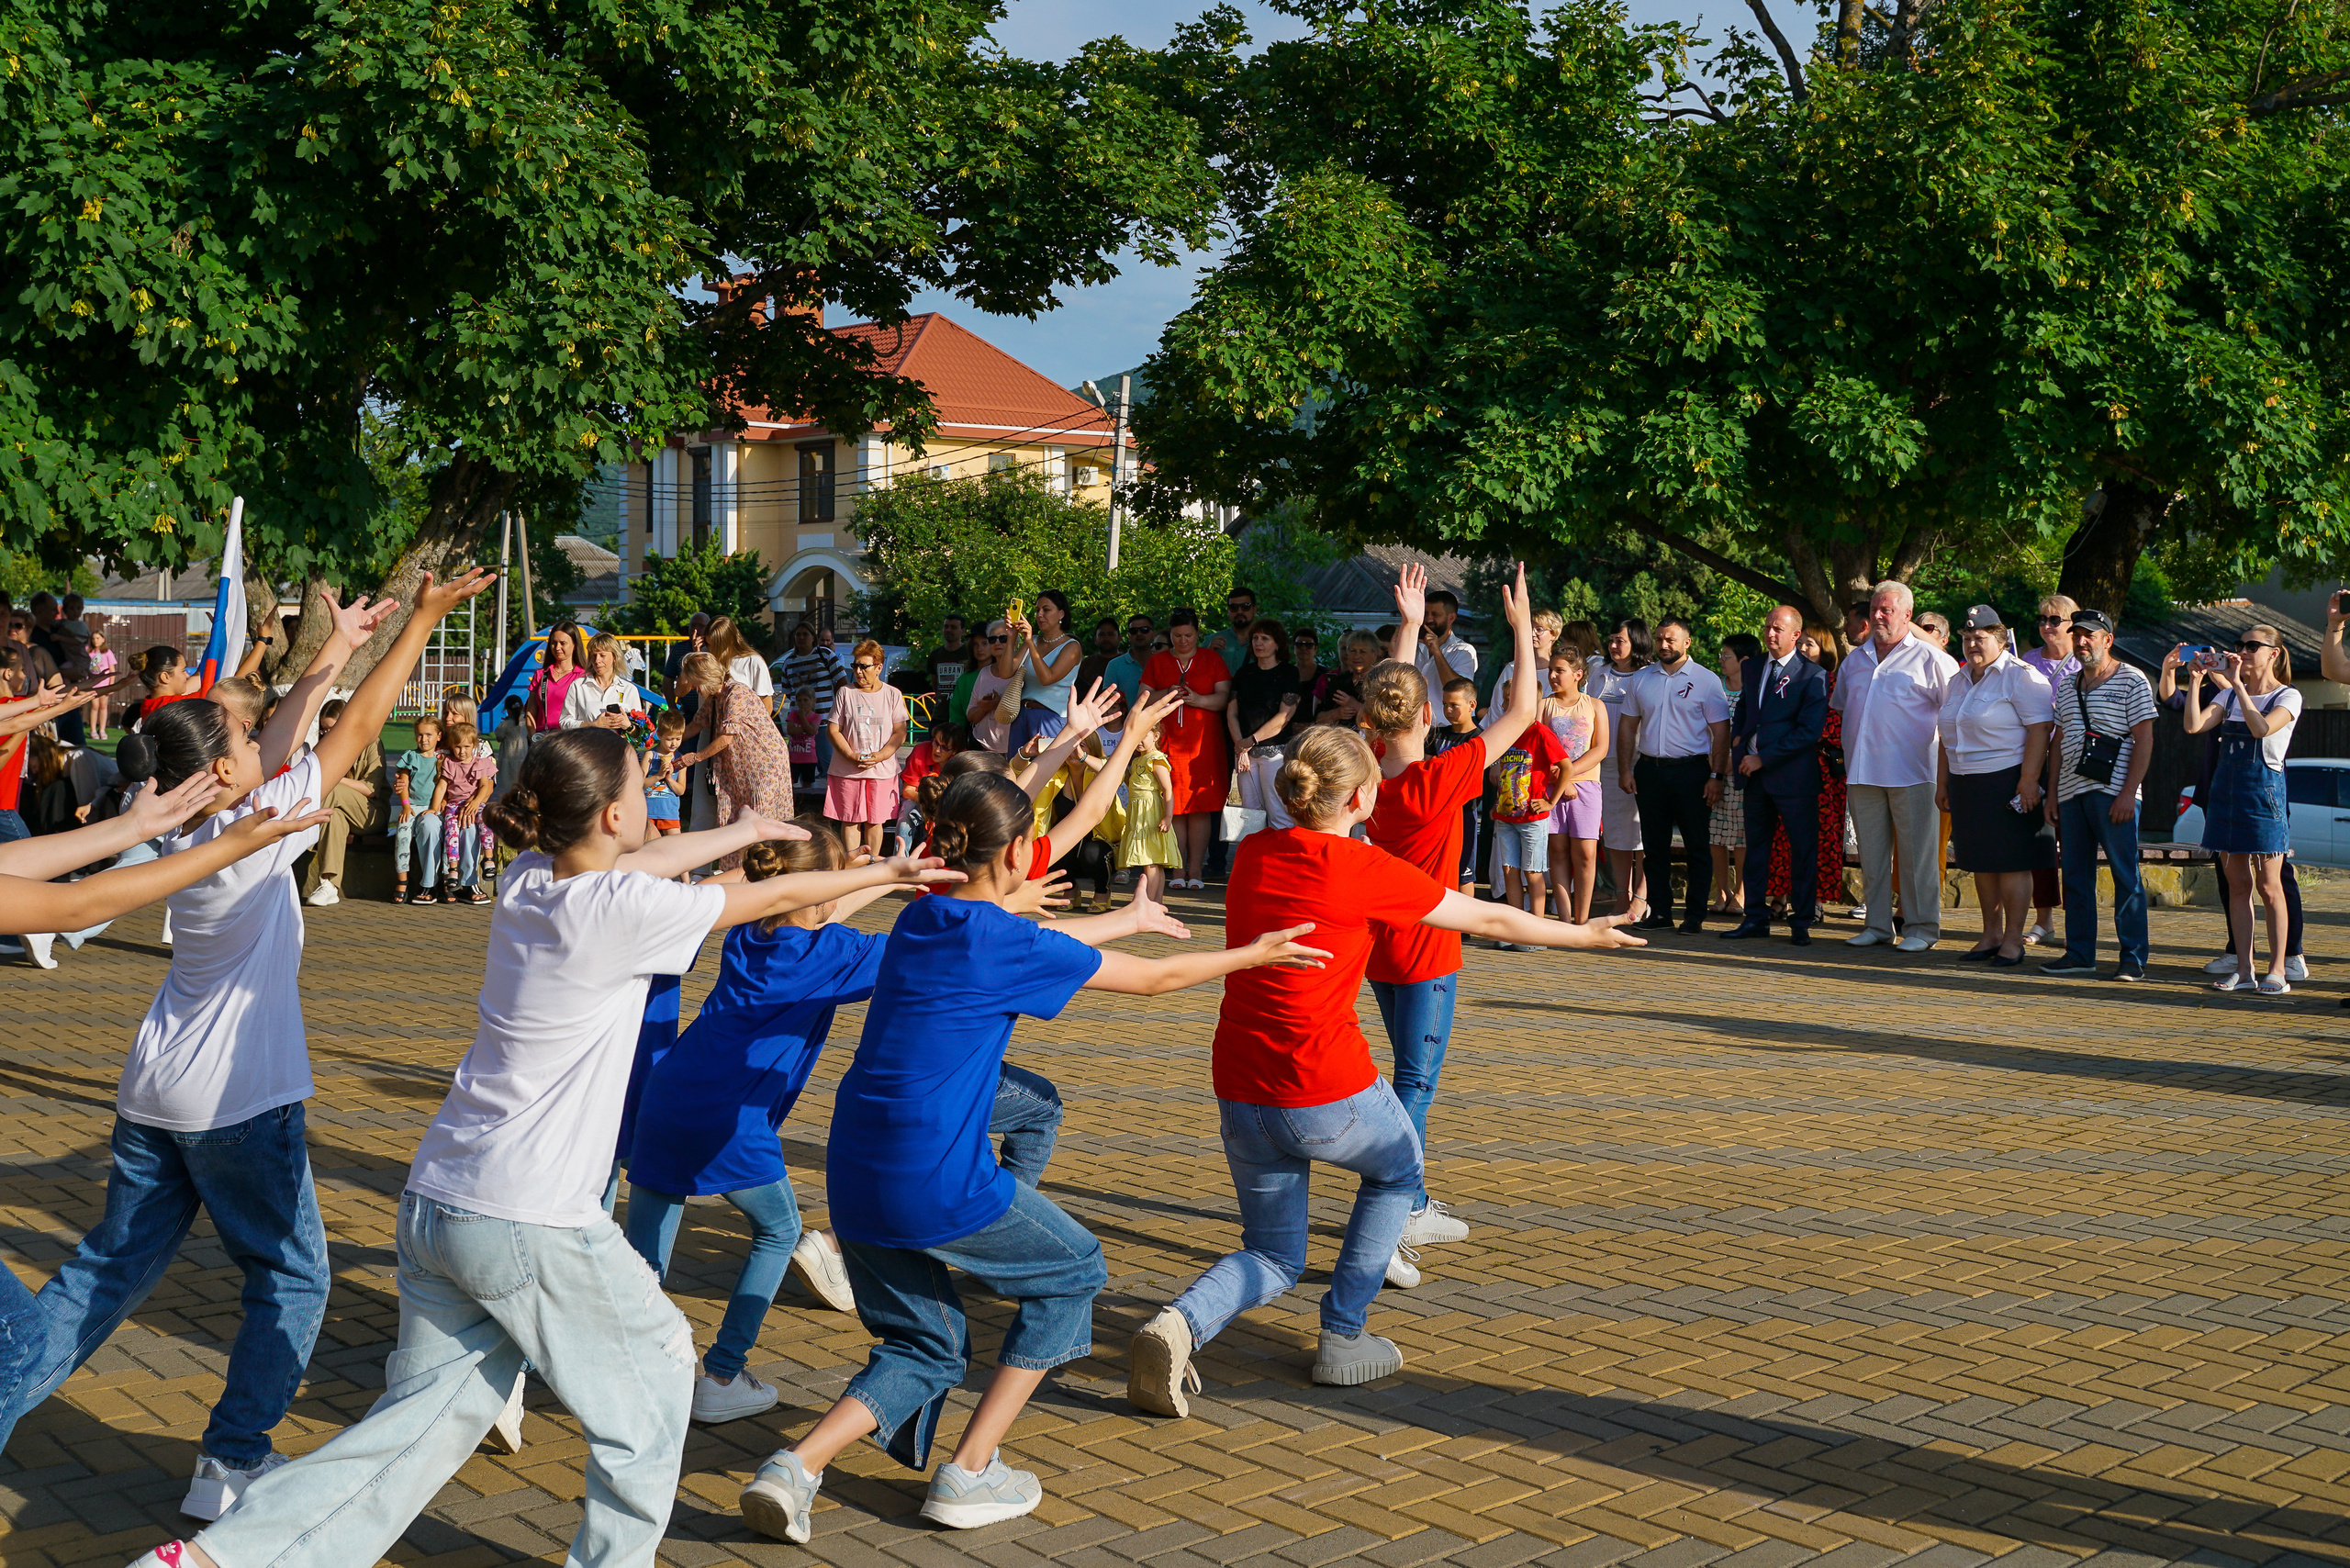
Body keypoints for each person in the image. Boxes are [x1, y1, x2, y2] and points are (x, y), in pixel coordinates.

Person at [133, 732, 950, 1568]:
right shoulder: (624, 912)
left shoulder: (527, 879)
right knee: (664, 1369)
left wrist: (743, 835)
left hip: (439, 1199)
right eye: (642, 785)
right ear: (615, 813)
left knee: (413, 1432)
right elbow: (744, 900)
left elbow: (659, 868)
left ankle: (214, 1560)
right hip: (530, 1217)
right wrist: (882, 875)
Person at [735, 770, 1325, 1544]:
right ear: (1019, 852)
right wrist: (1251, 953)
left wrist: (1108, 917)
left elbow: (1018, 942)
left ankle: (794, 1468)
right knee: (1076, 1269)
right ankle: (972, 1469)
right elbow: (1153, 981)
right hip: (936, 1175)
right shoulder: (1004, 940)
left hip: (851, 1170)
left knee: (926, 1343)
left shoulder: (920, 921)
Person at [15, 573, 488, 1520]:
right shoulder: (259, 830)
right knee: (294, 1273)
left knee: (101, 1274)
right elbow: (353, 731)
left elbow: (283, 736)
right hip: (237, 1099)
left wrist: (333, 649)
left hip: (153, 1091)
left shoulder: (199, 822)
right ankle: (230, 1463)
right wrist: (419, 623)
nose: (261, 736)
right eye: (239, 733)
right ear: (224, 771)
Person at [1126, 725, 1644, 1421]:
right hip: (1322, 1084)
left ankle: (1180, 1325)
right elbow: (1489, 916)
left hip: (1240, 1082)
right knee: (1400, 1169)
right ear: (1364, 796)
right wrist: (1584, 933)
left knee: (1275, 1255)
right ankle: (1343, 1334)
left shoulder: (1251, 854)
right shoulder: (1363, 869)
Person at [623, 823, 912, 1423]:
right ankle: (724, 1374)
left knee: (643, 1260)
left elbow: (806, 907)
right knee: (780, 1231)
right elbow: (924, 954)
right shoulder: (830, 954)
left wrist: (864, 880)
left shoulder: (751, 933)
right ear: (818, 891)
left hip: (668, 1093)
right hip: (730, 1118)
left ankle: (624, 1368)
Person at [1358, 562, 1547, 1284]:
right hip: (1428, 947)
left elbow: (1390, 698)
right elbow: (1525, 710)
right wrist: (1522, 632)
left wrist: (1408, 628)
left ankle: (1413, 1198)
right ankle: (1395, 1211)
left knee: (1405, 1080)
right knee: (1413, 1087)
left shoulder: (1371, 770)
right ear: (1429, 715)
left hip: (1379, 947)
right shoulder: (1442, 778)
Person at [2163, 643, 2307, 982]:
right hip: (2226, 794)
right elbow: (2193, 726)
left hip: (2263, 795)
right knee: (2238, 885)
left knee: (2270, 887)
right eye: (2241, 645)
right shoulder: (2226, 698)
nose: (2243, 651)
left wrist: (2237, 685)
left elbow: (2260, 729)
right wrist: (2196, 680)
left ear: (2273, 653)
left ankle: (2278, 970)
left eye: (2253, 646)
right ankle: (2244, 970)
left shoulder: (2287, 696)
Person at [1834, 581, 1958, 952]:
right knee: (1871, 857)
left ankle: (1921, 930)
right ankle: (1877, 926)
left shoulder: (1932, 659)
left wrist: (1947, 776)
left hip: (1914, 773)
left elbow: (1953, 716)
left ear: (1907, 614)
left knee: (1918, 858)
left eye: (1887, 609)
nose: (1878, 615)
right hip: (1863, 771)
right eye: (1875, 608)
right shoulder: (1854, 659)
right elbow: (1843, 707)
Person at [2037, 608, 2159, 982]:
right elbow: (2057, 743)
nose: (2081, 641)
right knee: (2074, 876)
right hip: (2072, 794)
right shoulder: (2068, 683)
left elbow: (2144, 739)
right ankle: (2079, 954)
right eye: (2077, 635)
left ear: (2108, 639)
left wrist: (2127, 794)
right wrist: (2053, 794)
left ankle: (2133, 957)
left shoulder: (2132, 679)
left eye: (2090, 635)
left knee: (2125, 876)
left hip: (2113, 794)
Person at [1934, 607, 2055, 966]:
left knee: (2012, 863)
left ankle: (2014, 941)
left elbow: (2040, 730)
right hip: (1965, 782)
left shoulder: (2020, 677)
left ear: (2001, 640)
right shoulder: (1958, 680)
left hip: (2008, 779)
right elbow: (1946, 736)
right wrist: (1943, 782)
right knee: (1981, 864)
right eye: (1968, 638)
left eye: (1981, 638)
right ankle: (1990, 935)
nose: (1972, 644)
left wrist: (2029, 781)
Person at [1617, 618, 1731, 933]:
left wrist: (1716, 776)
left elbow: (1721, 732)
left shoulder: (1706, 680)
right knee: (1653, 848)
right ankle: (1661, 913)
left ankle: (1694, 915)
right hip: (1649, 771)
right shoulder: (1641, 679)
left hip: (1692, 772)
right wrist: (1626, 769)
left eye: (1670, 639)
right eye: (1659, 639)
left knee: (1697, 845)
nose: (1664, 645)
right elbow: (1627, 726)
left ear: (1687, 643)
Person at [1724, 608, 1830, 945]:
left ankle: (1801, 922)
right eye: (1768, 627)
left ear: (1795, 635)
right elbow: (1745, 708)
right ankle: (1755, 918)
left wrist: (1762, 759)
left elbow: (1809, 731)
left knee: (1802, 851)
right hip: (1754, 778)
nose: (1770, 634)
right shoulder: (1753, 667)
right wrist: (1739, 742)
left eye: (1778, 629)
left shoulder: (1812, 675)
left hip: (1793, 777)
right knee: (1755, 849)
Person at [676, 651, 797, 869]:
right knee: (738, 818)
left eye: (696, 684)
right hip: (741, 769)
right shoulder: (715, 699)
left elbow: (726, 738)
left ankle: (767, 870)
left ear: (706, 678)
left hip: (764, 766)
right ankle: (741, 872)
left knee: (761, 818)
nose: (695, 689)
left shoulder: (736, 693)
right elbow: (695, 725)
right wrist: (667, 742)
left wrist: (695, 757)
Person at [1142, 610, 1233, 889]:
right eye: (1177, 636)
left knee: (1200, 808)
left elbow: (1223, 699)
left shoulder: (1212, 659)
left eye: (1189, 635)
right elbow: (1143, 698)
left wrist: (1197, 700)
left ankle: (1196, 871)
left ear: (1197, 633)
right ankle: (1178, 871)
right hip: (1170, 742)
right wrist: (1170, 692)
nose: (1183, 640)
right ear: (1169, 635)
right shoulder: (1158, 661)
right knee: (1176, 808)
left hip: (1204, 744)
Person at [298, 698, 387, 907]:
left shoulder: (371, 743)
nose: (326, 735)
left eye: (331, 729)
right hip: (340, 810)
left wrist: (337, 778)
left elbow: (370, 790)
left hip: (372, 814)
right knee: (334, 817)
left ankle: (301, 838)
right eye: (323, 730)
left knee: (335, 789)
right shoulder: (324, 748)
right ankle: (329, 885)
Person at [1542, 648, 1609, 923]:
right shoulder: (1543, 705)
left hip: (1586, 787)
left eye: (1560, 671)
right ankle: (1564, 918)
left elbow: (1601, 748)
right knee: (1557, 851)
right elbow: (1537, 745)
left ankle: (1582, 920)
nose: (1553, 676)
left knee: (1585, 853)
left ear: (1578, 675)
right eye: (1551, 670)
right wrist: (1557, 779)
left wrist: (1567, 775)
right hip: (1551, 787)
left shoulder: (1595, 705)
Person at [827, 638, 910, 857]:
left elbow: (900, 732)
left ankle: (872, 863)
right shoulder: (845, 693)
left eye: (864, 666)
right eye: (855, 666)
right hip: (847, 769)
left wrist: (881, 756)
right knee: (850, 820)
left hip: (881, 770)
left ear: (879, 667)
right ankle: (853, 865)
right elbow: (833, 730)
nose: (858, 671)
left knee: (875, 821)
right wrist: (851, 755)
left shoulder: (893, 694)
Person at [1588, 620, 1649, 917]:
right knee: (1616, 834)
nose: (1613, 645)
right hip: (1605, 763)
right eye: (1611, 639)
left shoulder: (1649, 675)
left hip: (1641, 762)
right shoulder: (1598, 674)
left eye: (1620, 640)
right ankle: (1621, 897)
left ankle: (1642, 896)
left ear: (1637, 643)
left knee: (1643, 832)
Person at [1228, 619, 1303, 832]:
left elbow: (1284, 716)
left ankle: (1282, 863)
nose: (1258, 643)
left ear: (1277, 643)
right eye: (1255, 638)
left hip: (1276, 753)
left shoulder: (1288, 672)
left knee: (1279, 814)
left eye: (1265, 638)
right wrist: (1240, 747)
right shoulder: (1244, 673)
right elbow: (1231, 712)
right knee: (1249, 816)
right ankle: (1254, 863)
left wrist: (1249, 742)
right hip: (1244, 753)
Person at [1707, 633, 1761, 917]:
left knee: (1741, 836)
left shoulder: (1756, 691)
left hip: (1743, 772)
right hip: (1713, 771)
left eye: (1726, 656)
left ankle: (1741, 890)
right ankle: (1722, 890)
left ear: (1745, 661)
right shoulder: (1715, 689)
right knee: (1715, 834)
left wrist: (1734, 760)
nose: (1721, 661)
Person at [1116, 707, 1182, 900]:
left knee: (1151, 860)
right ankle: (1156, 902)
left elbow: (1167, 789)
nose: (1139, 741)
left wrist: (1168, 816)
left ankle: (1150, 902)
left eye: (1143, 736)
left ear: (1155, 735)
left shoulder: (1156, 759)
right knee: (1153, 861)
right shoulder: (1138, 760)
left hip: (1150, 814)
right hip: (1138, 813)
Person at [432, 719, 498, 904]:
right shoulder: (450, 763)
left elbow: (485, 786)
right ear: (452, 747)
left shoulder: (480, 763)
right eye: (458, 747)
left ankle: (488, 859)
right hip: (454, 804)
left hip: (474, 803)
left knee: (485, 820)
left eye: (467, 747)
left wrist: (477, 802)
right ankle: (453, 870)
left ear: (474, 746)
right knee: (451, 829)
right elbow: (442, 787)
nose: (462, 751)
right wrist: (434, 807)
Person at [1428, 678, 1484, 896]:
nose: (1448, 710)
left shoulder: (1480, 738)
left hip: (1465, 813)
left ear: (1472, 705)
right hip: (1438, 812)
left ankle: (1464, 929)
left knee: (1464, 874)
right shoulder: (1437, 735)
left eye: (1454, 705)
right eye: (1444, 704)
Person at [1009, 590, 1082, 750]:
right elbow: (1005, 672)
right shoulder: (1033, 641)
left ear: (1061, 614)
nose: (1039, 615)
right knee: (1015, 770)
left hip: (1050, 717)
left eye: (1046, 609)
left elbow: (1047, 678)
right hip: (1021, 715)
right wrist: (1011, 637)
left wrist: (1029, 642)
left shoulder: (1071, 646)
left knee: (1046, 773)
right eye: (1037, 610)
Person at [778, 621, 848, 768]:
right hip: (798, 724)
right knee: (801, 767)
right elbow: (788, 692)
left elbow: (842, 680)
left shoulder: (825, 654)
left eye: (805, 634)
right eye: (798, 634)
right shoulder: (788, 662)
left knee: (827, 764)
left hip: (824, 720)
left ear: (813, 637)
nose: (802, 638)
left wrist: (835, 705)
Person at [392, 716, 443, 904]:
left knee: (435, 832)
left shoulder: (442, 759)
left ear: (438, 736)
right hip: (412, 806)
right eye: (420, 735)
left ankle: (438, 880)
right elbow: (403, 783)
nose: (424, 739)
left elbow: (446, 784)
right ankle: (402, 880)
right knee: (402, 834)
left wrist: (440, 805)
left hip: (433, 808)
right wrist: (405, 805)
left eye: (429, 735)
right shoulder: (411, 757)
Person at [559, 632, 638, 732]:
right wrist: (593, 725)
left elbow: (640, 733)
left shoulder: (629, 690)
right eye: (593, 656)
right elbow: (564, 722)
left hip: (619, 747)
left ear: (614, 657)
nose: (597, 660)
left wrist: (628, 726)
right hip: (586, 746)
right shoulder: (578, 686)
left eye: (602, 655)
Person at [524, 621, 586, 738]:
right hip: (544, 740)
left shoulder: (583, 677)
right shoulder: (541, 675)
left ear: (575, 645)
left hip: (572, 741)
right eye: (553, 643)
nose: (557, 647)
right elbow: (530, 713)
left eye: (563, 643)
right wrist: (534, 739)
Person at [964, 619, 1017, 753]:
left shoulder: (1023, 671)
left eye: (1003, 638)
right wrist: (984, 708)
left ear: (1015, 642)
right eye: (992, 639)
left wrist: (999, 704)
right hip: (983, 747)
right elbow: (971, 715)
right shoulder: (984, 673)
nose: (997, 642)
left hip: (1015, 748)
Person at [1414, 588, 1477, 695]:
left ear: (1451, 618)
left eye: (1435, 615)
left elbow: (1458, 690)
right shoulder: (1414, 646)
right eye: (1426, 613)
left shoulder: (1463, 650)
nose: (1428, 619)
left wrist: (1436, 652)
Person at [1315, 630, 1383, 728]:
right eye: (1353, 651)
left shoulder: (1381, 683)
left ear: (1375, 654)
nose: (1357, 656)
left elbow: (1383, 722)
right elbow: (1317, 719)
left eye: (1362, 652)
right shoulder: (1340, 681)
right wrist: (1337, 714)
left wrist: (1355, 705)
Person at [644, 709, 687, 837]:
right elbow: (639, 784)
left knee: (675, 848)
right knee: (648, 848)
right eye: (669, 739)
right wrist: (658, 776)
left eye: (678, 739)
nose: (674, 743)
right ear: (659, 735)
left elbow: (681, 790)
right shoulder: (650, 756)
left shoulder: (680, 760)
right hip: (647, 813)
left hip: (669, 813)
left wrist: (669, 779)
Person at [1103, 614, 1155, 710]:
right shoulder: (1114, 665)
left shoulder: (1163, 663)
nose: (1139, 634)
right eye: (1133, 631)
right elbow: (1109, 702)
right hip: (1127, 723)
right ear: (1129, 636)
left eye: (1144, 630)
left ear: (1153, 634)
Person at [1204, 586, 1259, 676]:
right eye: (1234, 607)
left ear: (1254, 610)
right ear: (1228, 611)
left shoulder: (1266, 642)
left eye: (1245, 607)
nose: (1239, 612)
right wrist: (1208, 653)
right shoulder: (1212, 641)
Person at [1075, 616, 1122, 703]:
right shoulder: (1086, 664)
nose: (1106, 638)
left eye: (1111, 634)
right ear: (1095, 639)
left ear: (1120, 638)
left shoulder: (1127, 662)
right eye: (1102, 635)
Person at [923, 613, 971, 695]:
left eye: (953, 627)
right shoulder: (934, 655)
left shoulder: (970, 654)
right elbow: (935, 683)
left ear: (963, 631)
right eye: (946, 626)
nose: (948, 630)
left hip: (964, 706)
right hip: (942, 706)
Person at [83, 627, 116, 740]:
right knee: (94, 706)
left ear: (103, 639)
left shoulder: (107, 652)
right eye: (93, 638)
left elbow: (112, 670)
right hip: (92, 684)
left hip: (105, 684)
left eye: (98, 638)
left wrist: (112, 685)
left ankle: (102, 730)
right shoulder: (88, 651)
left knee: (103, 706)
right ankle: (93, 730)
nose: (95, 641)